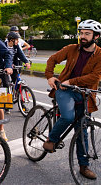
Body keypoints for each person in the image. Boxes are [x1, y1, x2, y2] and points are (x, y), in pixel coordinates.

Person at [43, 19, 101, 180]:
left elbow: (95, 76)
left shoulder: (100, 55)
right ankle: (51, 139)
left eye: (87, 34)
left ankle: (84, 166)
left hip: (85, 94)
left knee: (82, 131)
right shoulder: (72, 49)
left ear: (96, 36)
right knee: (68, 117)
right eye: (81, 33)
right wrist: (50, 76)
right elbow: (52, 59)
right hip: (64, 90)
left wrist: (73, 82)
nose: (83, 36)